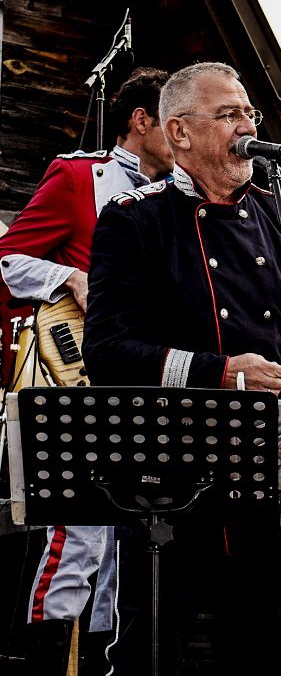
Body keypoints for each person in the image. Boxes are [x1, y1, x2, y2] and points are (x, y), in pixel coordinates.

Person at [82, 62, 281, 674]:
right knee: (152, 651)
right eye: (228, 115)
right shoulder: (135, 217)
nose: (247, 127)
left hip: (262, 471)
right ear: (178, 132)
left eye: (248, 114)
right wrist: (219, 372)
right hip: (163, 477)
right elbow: (106, 352)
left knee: (267, 647)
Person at [0, 67, 173, 676]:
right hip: (82, 373)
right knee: (80, 529)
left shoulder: (186, 198)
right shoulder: (79, 177)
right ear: (141, 120)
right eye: (172, 120)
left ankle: (104, 663)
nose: (184, 134)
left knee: (131, 538)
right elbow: (7, 259)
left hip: (151, 380)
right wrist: (67, 276)